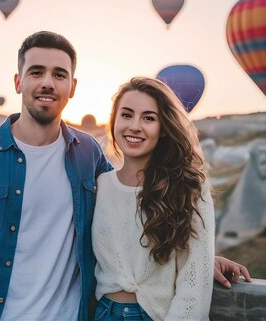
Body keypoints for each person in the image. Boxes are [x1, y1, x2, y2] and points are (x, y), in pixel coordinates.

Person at [0, 31, 249, 321]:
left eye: (59, 74)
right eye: (36, 72)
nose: (47, 83)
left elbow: (135, 210)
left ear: (73, 87)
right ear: (18, 82)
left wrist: (199, 257)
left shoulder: (87, 154)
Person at [92, 77, 247, 321]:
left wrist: (205, 260)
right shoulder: (99, 185)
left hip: (156, 315)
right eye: (126, 115)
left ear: (163, 128)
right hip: (102, 313)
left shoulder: (189, 188)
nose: (135, 126)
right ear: (113, 121)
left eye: (148, 118)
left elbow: (193, 286)